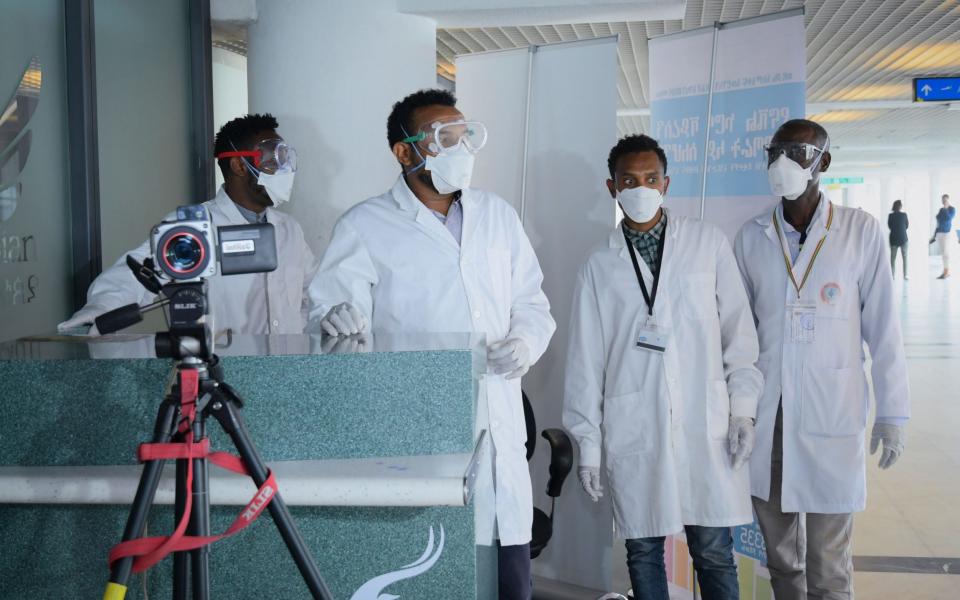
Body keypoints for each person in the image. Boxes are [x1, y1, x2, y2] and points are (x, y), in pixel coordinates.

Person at [306, 89, 556, 600]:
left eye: (463, 136)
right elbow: (328, 318)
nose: (460, 149)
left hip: (498, 423)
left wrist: (526, 343)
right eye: (445, 138)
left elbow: (533, 302)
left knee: (510, 583)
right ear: (405, 152)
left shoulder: (497, 216)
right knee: (430, 576)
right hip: (416, 437)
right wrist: (332, 319)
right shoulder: (364, 225)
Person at [563, 134, 762, 600]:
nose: (641, 188)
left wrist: (742, 411)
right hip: (638, 424)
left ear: (666, 183)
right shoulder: (598, 265)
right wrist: (587, 444)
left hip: (703, 423)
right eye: (629, 180)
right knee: (643, 550)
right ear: (612, 188)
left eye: (650, 178)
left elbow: (739, 334)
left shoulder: (706, 242)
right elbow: (585, 362)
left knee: (713, 550)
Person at [734, 119, 910, 600]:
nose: (782, 163)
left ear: (823, 163)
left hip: (832, 412)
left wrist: (892, 415)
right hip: (770, 420)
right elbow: (738, 337)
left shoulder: (859, 231)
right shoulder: (751, 237)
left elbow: (884, 329)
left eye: (798, 153)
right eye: (775, 152)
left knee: (829, 564)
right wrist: (739, 411)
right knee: (781, 559)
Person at [58, 114, 317, 336]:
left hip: (288, 370)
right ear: (239, 165)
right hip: (227, 370)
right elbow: (133, 275)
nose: (283, 170)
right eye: (272, 160)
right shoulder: (193, 226)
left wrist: (321, 319)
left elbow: (312, 292)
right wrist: (100, 310)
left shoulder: (290, 230)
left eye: (284, 159)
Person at [931, 194, 955, 279]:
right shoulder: (941, 209)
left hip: (946, 233)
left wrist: (945, 209)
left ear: (948, 200)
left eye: (945, 199)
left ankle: (946, 271)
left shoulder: (952, 209)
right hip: (939, 233)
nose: (943, 201)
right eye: (942, 200)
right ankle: (945, 271)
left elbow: (948, 218)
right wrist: (934, 235)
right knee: (943, 253)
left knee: (945, 252)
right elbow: (938, 220)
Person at [888, 199, 908, 280]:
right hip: (903, 238)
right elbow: (907, 226)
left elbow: (889, 226)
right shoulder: (904, 215)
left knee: (893, 259)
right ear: (900, 206)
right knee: (905, 258)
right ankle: (905, 275)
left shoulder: (891, 215)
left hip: (894, 239)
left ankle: (892, 276)